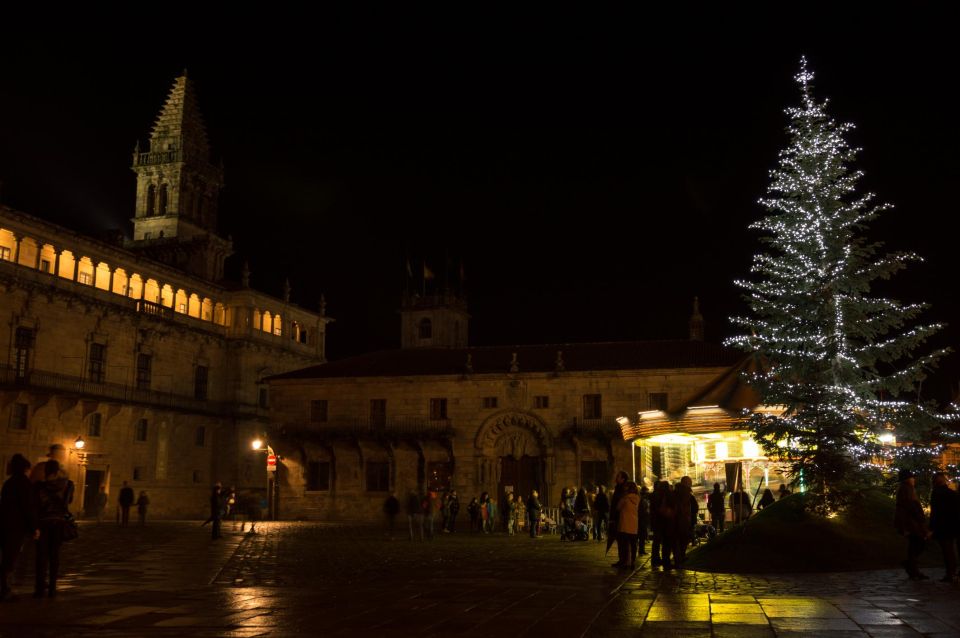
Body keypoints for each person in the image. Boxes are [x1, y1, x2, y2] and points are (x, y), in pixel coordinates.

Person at [33, 459, 74, 598]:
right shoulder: (67, 485)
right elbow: (68, 501)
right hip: (59, 523)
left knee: (41, 557)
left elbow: (36, 505)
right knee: (54, 555)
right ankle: (52, 588)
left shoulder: (39, 487)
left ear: (46, 472)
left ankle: (39, 589)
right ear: (57, 471)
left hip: (43, 523)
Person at [1, 454, 37, 601]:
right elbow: (28, 507)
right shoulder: (25, 483)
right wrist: (34, 527)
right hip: (17, 527)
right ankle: (5, 590)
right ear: (25, 469)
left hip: (4, 525)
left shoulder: (8, 483)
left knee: (5, 557)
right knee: (10, 559)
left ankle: (5, 588)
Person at [895, 469, 930, 580]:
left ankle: (912, 567)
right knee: (919, 542)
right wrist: (920, 518)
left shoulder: (907, 489)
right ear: (907, 479)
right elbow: (911, 506)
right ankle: (911, 566)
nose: (914, 479)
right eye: (912, 477)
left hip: (910, 522)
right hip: (911, 523)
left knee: (915, 545)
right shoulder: (906, 489)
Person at [929, 472, 959, 583]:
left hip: (942, 526)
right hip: (953, 525)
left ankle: (950, 573)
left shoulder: (936, 494)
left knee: (947, 550)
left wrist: (931, 527)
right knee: (950, 550)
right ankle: (952, 572)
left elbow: (935, 512)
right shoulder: (952, 493)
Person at [613, 481, 640, 568]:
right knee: (633, 544)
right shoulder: (637, 498)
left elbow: (617, 508)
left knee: (623, 544)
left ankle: (624, 561)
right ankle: (632, 561)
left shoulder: (625, 498)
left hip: (624, 523)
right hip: (634, 524)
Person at [673, 476, 697, 567]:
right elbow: (693, 508)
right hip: (684, 520)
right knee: (683, 539)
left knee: (677, 540)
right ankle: (680, 557)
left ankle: (678, 558)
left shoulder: (675, 493)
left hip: (676, 521)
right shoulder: (687, 494)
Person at [608, 471, 628, 554]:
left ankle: (624, 559)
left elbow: (619, 504)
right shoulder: (618, 488)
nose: (616, 478)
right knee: (619, 539)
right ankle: (621, 559)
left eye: (618, 477)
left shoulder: (623, 489)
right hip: (616, 516)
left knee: (623, 539)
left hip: (621, 517)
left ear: (623, 479)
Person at [637, 485, 651, 556]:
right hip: (642, 520)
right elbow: (643, 511)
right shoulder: (642, 500)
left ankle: (641, 550)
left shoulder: (642, 499)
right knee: (642, 536)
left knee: (642, 536)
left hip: (642, 519)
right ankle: (641, 550)